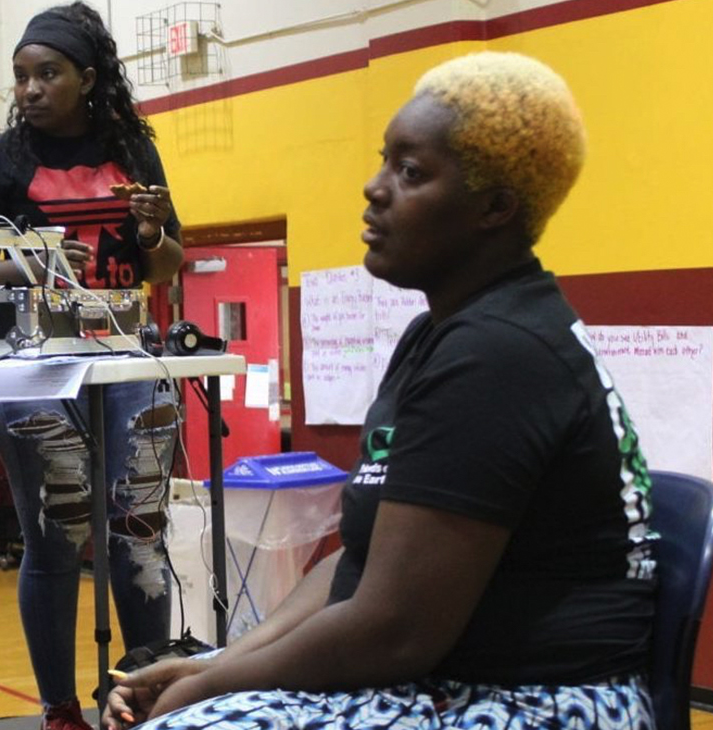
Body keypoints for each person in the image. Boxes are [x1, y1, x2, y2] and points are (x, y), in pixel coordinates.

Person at [104, 52, 657, 730]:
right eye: (384, 161)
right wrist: (213, 666)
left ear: (496, 207)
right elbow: (355, 564)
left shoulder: (500, 355)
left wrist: (205, 691)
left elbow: (394, 630)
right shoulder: (439, 336)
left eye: (411, 172)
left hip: (538, 701)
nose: (375, 188)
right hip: (441, 681)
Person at [0, 4, 186, 728]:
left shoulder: (135, 152)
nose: (29, 88)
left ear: (87, 78)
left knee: (137, 528)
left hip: (124, 359)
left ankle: (148, 700)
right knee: (56, 533)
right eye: (20, 76)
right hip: (30, 365)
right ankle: (58, 710)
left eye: (46, 74)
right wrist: (36, 260)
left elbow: (168, 264)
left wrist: (150, 233)